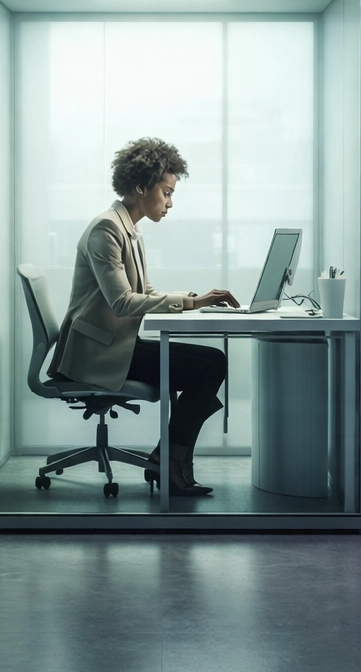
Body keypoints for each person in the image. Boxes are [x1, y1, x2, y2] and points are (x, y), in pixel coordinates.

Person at [50, 138, 239, 496]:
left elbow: (146, 293)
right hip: (97, 353)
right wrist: (191, 303)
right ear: (140, 186)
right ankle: (169, 462)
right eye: (166, 193)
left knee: (214, 361)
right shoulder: (106, 229)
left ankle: (169, 458)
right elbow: (123, 302)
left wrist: (194, 301)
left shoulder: (130, 230)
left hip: (116, 343)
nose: (170, 202)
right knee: (207, 368)